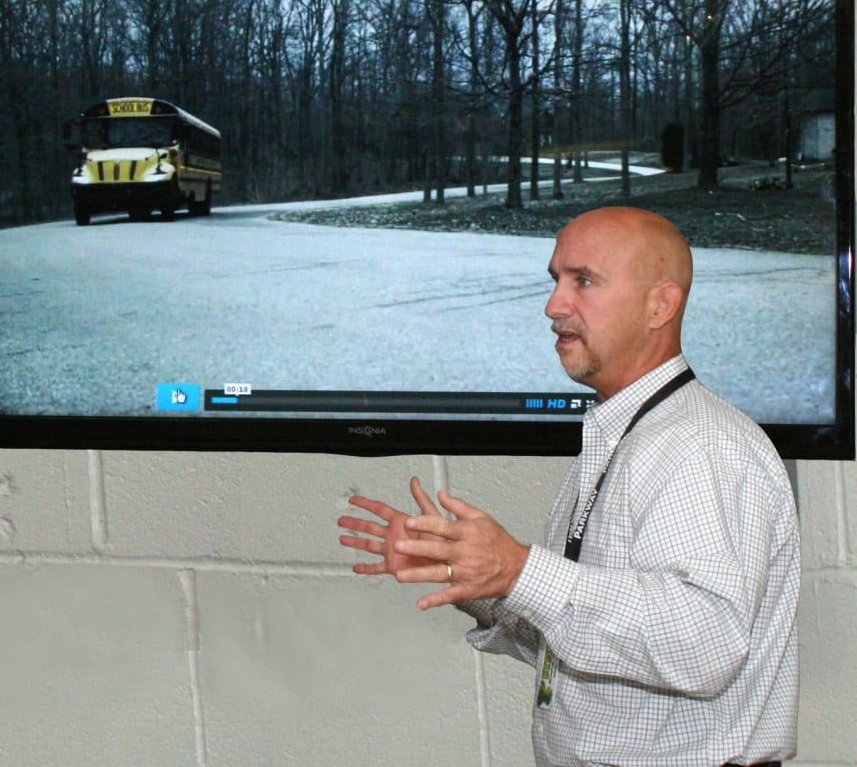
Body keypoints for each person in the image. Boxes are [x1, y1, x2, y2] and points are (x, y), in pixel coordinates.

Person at [338, 206, 799, 767]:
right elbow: (595, 644)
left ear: (661, 304)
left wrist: (519, 570)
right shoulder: (628, 432)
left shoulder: (699, 446)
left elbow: (705, 645)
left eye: (583, 281)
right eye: (555, 280)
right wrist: (477, 577)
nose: (553, 306)